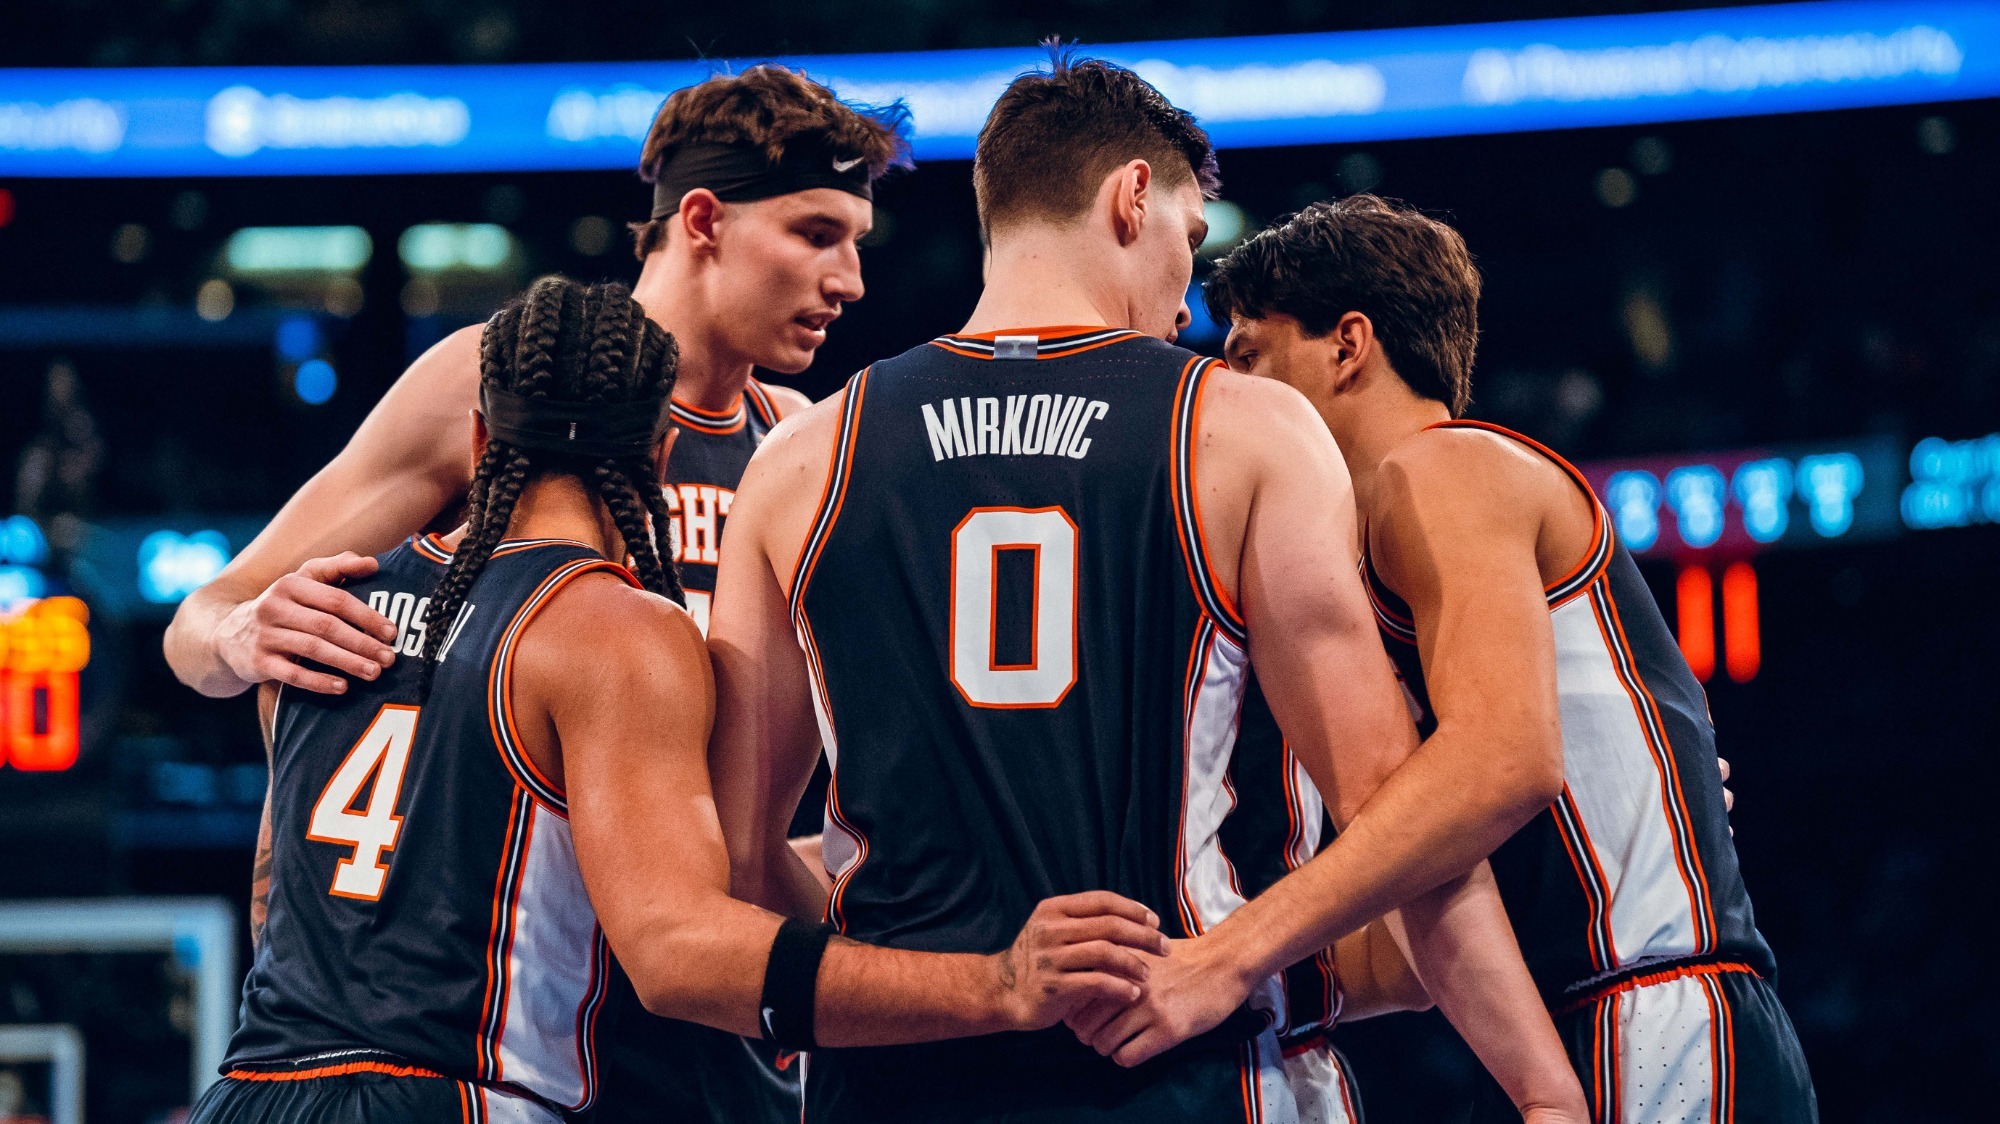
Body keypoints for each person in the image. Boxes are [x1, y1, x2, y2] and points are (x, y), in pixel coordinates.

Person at [708, 52, 1589, 1124]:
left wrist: (926, 976)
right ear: (1132, 196)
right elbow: (1384, 806)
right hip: (1177, 1069)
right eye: (1187, 236)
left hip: (892, 1085)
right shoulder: (1238, 426)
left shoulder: (803, 455)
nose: (1183, 300)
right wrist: (1543, 1089)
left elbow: (744, 858)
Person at [194, 277, 1165, 1124]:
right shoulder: (611, 626)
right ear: (660, 450)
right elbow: (679, 953)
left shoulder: (319, 606)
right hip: (455, 1092)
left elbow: (274, 892)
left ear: (481, 435)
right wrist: (994, 982)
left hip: (247, 1083)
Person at [163, 65, 904, 1124]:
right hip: (477, 1021)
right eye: (817, 232)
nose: (850, 279)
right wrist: (238, 634)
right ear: (701, 218)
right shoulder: (503, 381)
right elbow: (204, 622)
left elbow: (785, 800)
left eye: (858, 243)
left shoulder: (802, 444)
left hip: (692, 1006)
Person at [1206, 194, 1818, 1123]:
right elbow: (1407, 946)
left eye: (1250, 353)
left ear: (1348, 346)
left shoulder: (1445, 468)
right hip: (1610, 1019)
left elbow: (1504, 761)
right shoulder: (1365, 565)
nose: (1230, 387)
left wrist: (1233, 949)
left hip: (1660, 1014)